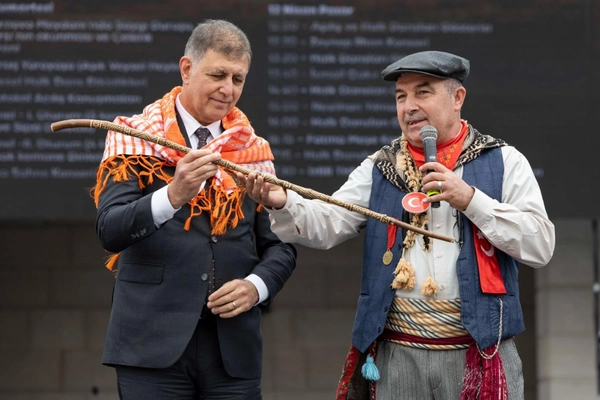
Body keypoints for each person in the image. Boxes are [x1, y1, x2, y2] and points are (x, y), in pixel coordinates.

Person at [239, 50, 555, 399]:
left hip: (478, 355)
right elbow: (328, 223)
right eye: (401, 96)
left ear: (458, 98)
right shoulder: (381, 166)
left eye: (423, 92)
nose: (409, 107)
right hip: (398, 356)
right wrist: (281, 201)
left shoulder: (504, 160)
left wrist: (469, 199)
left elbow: (540, 246)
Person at [93, 19, 297, 400]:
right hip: (150, 347)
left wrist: (255, 288)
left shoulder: (251, 151)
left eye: (238, 79)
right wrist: (173, 195)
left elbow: (281, 246)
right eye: (218, 75)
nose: (228, 89)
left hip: (232, 352)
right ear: (186, 69)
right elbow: (110, 229)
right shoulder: (134, 136)